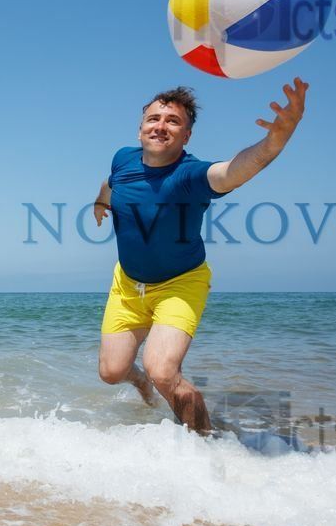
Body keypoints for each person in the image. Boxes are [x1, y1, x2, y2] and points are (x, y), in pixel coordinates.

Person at [93, 78, 309, 432]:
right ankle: (141, 383)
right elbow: (111, 181)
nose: (160, 126)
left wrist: (276, 139)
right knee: (111, 372)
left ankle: (206, 444)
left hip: (180, 284)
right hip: (128, 285)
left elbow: (237, 169)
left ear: (187, 136)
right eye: (154, 119)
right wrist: (101, 202)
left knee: (162, 370)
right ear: (140, 128)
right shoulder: (123, 158)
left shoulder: (190, 175)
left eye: (173, 121)